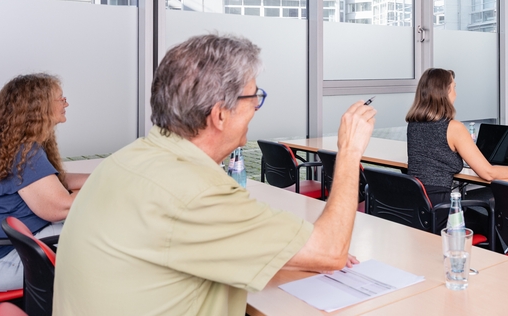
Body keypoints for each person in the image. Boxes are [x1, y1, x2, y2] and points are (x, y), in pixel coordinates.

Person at [53, 34, 376, 316]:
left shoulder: (127, 160)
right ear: (220, 115)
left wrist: (286, 250)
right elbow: (330, 252)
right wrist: (349, 151)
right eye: (253, 97)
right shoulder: (194, 191)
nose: (257, 107)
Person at [0, 74, 87, 291]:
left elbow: (54, 180)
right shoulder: (23, 152)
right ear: (39, 107)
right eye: (60, 99)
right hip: (9, 258)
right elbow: (60, 208)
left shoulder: (11, 145)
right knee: (99, 236)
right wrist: (107, 188)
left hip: (11, 247)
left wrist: (103, 176)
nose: (66, 104)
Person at [406, 68, 508, 216]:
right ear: (445, 92)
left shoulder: (413, 125)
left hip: (416, 206)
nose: (456, 93)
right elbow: (488, 173)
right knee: (495, 222)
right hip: (441, 209)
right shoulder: (453, 127)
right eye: (454, 87)